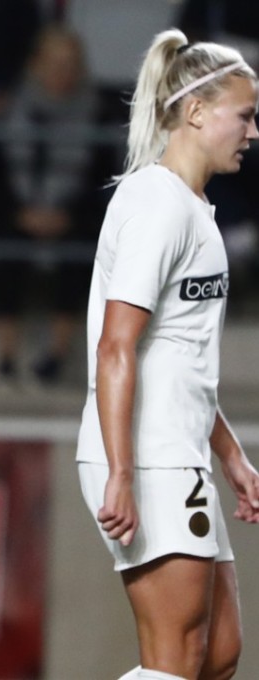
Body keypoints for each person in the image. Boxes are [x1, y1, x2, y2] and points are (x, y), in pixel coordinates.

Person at [76, 28, 259, 680]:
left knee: (217, 652)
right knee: (176, 656)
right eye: (246, 114)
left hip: (176, 448)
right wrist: (122, 470)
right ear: (197, 111)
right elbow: (116, 345)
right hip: (145, 454)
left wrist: (230, 452)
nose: (254, 131)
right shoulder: (157, 204)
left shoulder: (193, 208)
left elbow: (175, 355)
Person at [0, 25, 101, 385]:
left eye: (69, 65)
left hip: (71, 217)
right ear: (35, 66)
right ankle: (6, 356)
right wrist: (23, 214)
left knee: (84, 245)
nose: (61, 73)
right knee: (4, 241)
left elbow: (102, 182)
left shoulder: (96, 115)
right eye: (54, 64)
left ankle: (56, 355)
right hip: (19, 213)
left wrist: (63, 216)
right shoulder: (9, 112)